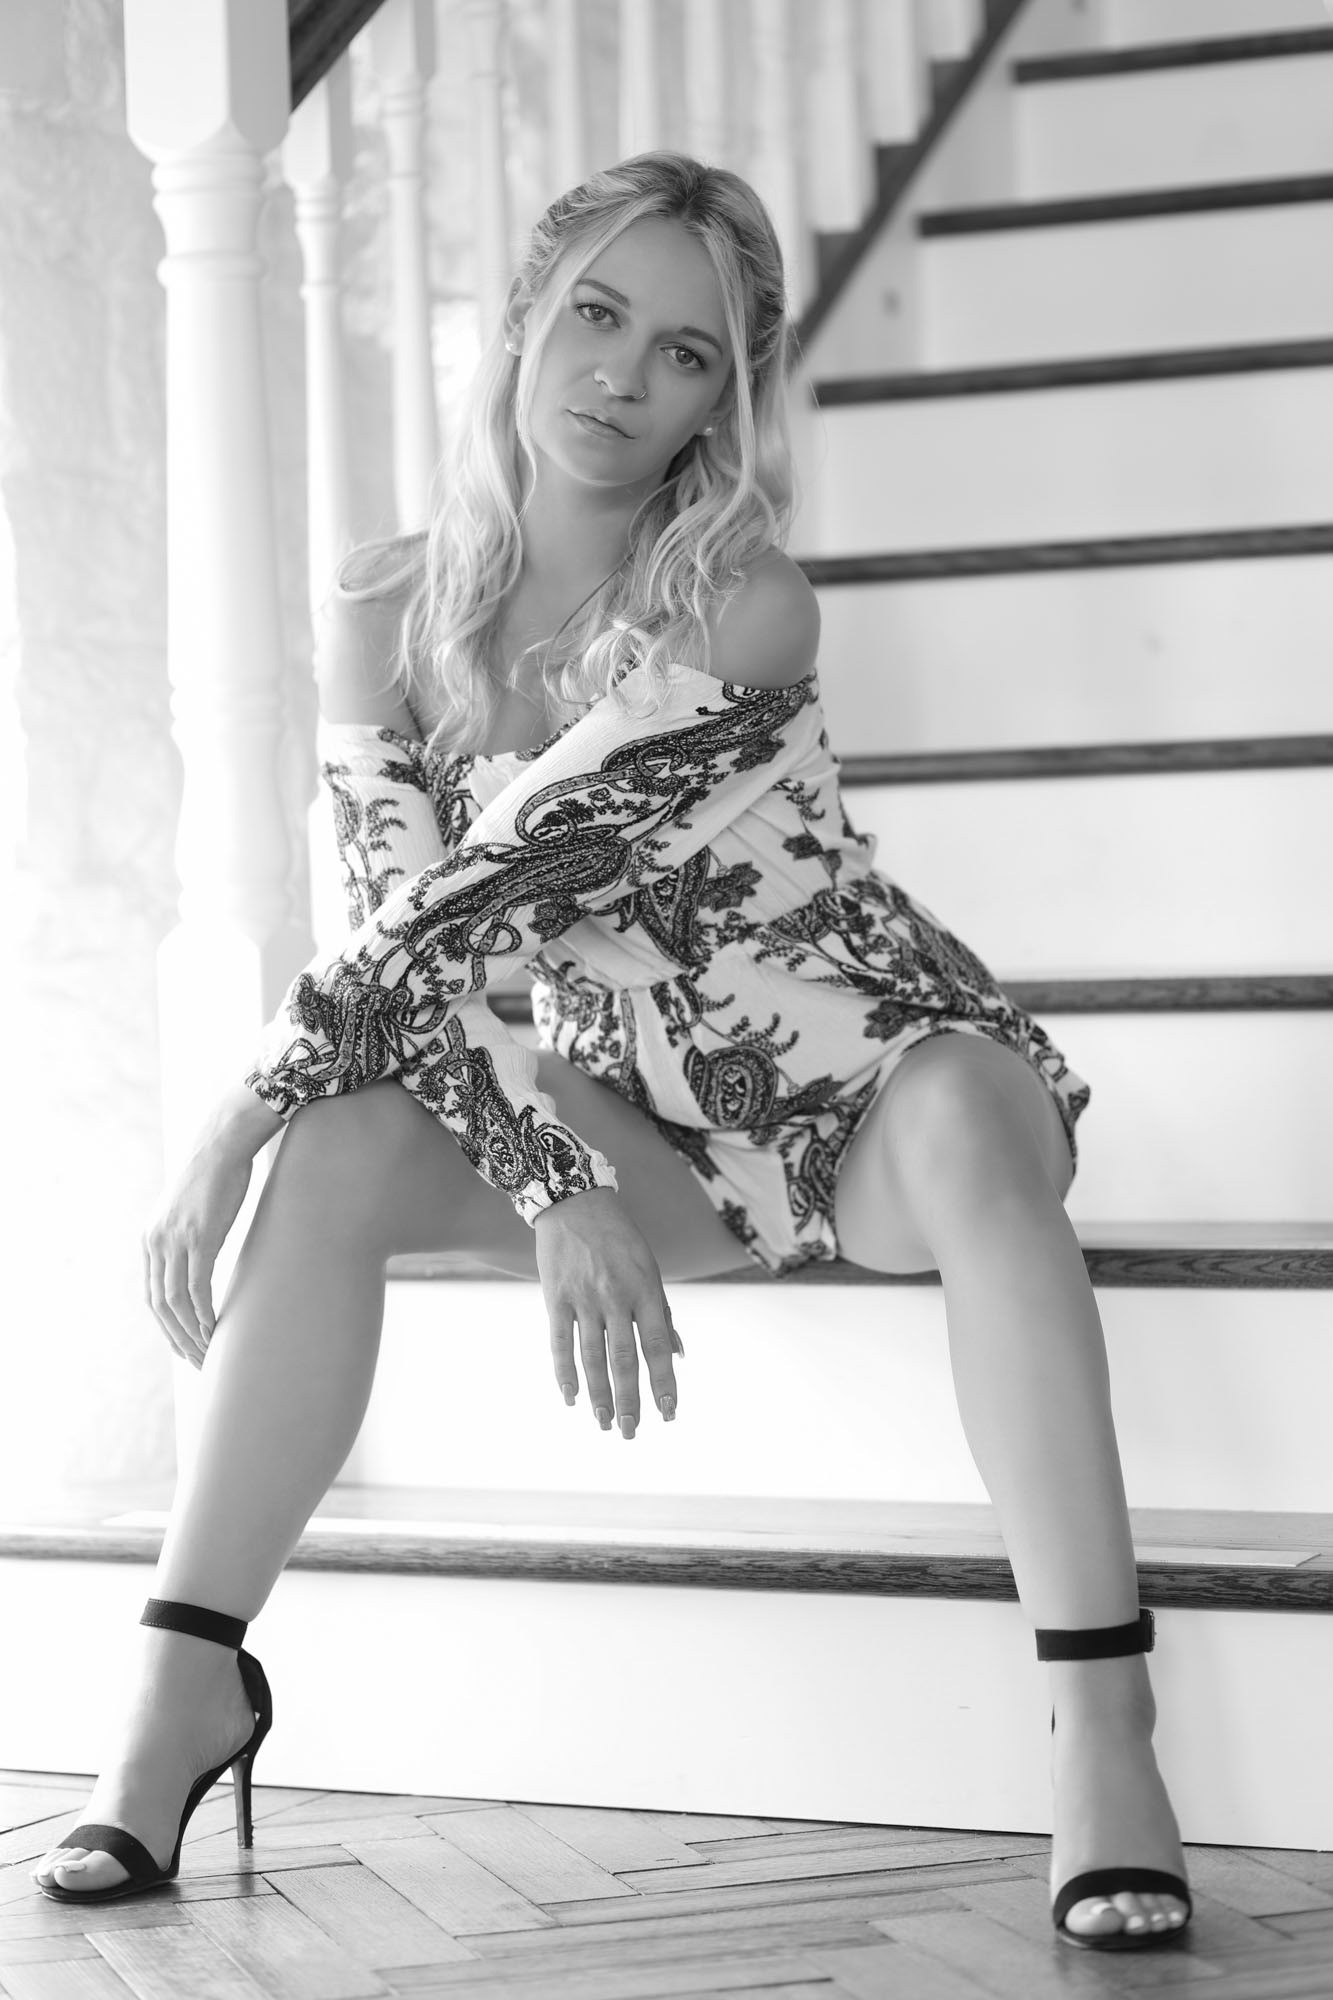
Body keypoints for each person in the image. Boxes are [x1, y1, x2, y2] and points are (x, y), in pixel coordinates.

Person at [34, 151, 1191, 1952]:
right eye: (594, 315)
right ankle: (184, 1685)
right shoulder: (383, 612)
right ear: (521, 320)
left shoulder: (740, 606)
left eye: (684, 353)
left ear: (721, 403)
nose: (621, 376)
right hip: (639, 1109)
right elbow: (408, 948)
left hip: (870, 1090)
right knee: (344, 1138)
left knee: (970, 1111)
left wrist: (221, 1118)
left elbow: (490, 891)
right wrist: (551, 1175)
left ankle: (1103, 1726)